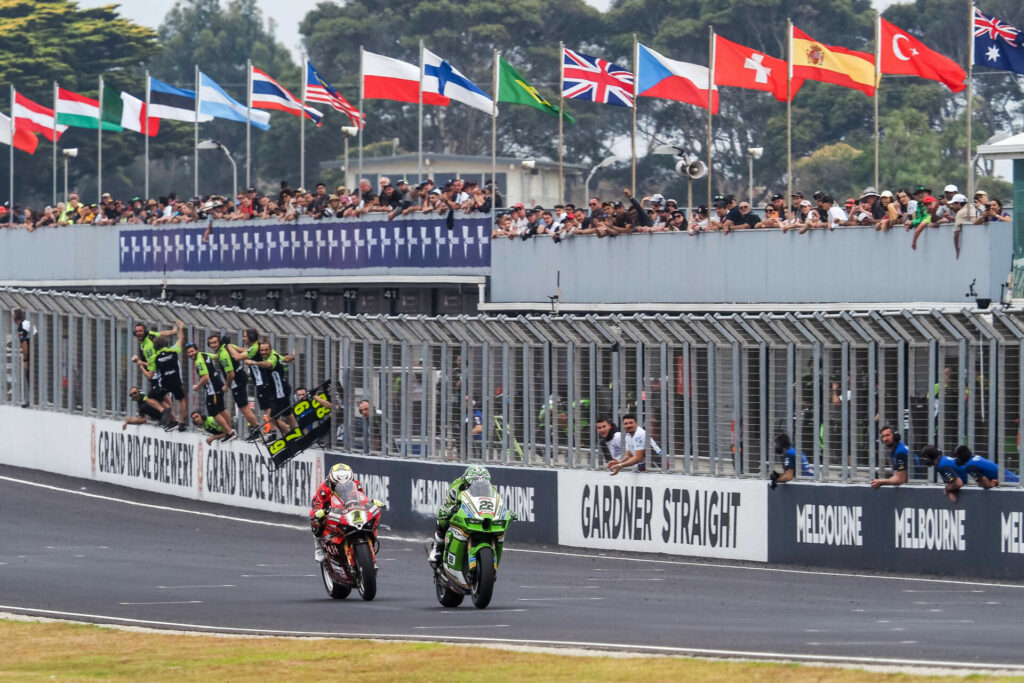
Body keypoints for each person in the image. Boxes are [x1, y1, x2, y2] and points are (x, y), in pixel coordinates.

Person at [428, 465, 491, 565]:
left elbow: (497, 502)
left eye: (483, 485)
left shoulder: (490, 489)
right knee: (442, 520)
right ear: (467, 484)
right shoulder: (456, 489)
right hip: (462, 512)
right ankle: (438, 548)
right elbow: (445, 507)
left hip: (480, 515)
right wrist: (449, 511)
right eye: (476, 486)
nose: (480, 489)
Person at [310, 463, 367, 562]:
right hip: (327, 507)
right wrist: (320, 512)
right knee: (315, 518)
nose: (344, 488)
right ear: (331, 482)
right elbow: (317, 507)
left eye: (348, 485)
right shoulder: (323, 490)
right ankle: (318, 546)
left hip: (346, 506)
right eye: (337, 485)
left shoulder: (357, 485)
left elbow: (362, 499)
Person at [208, 332, 259, 441]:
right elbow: (243, 350)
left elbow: (231, 373)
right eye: (211, 343)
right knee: (243, 406)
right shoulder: (228, 346)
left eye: (215, 343)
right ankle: (255, 428)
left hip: (237, 381)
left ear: (220, 342)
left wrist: (226, 385)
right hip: (241, 376)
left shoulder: (223, 354)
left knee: (244, 407)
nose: (213, 345)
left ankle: (256, 430)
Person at [185, 342, 237, 442]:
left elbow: (205, 377)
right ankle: (230, 431)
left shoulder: (199, 361)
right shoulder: (204, 354)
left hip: (212, 389)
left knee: (213, 412)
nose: (191, 354)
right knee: (221, 409)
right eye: (188, 352)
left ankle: (229, 432)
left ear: (196, 350)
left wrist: (197, 387)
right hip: (218, 384)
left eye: (192, 351)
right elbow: (216, 356)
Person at [244, 341, 296, 436]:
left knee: (273, 417)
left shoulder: (273, 357)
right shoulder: (274, 355)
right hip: (282, 390)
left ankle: (289, 433)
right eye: (262, 350)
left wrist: (253, 362)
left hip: (280, 391)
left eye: (266, 350)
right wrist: (292, 356)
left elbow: (268, 364)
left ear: (270, 350)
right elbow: (285, 358)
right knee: (288, 413)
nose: (263, 352)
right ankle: (295, 433)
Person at [954, 445, 1020, 488]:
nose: (956, 460)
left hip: (1010, 483)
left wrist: (990, 484)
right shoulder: (976, 458)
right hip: (1011, 479)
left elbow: (986, 483)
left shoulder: (969, 466)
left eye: (957, 457)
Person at [13, 308, 32, 407]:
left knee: (29, 376)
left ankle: (31, 400)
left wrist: (25, 359)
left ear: (15, 318)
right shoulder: (28, 323)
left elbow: (24, 343)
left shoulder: (21, 327)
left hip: (32, 355)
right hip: (38, 353)